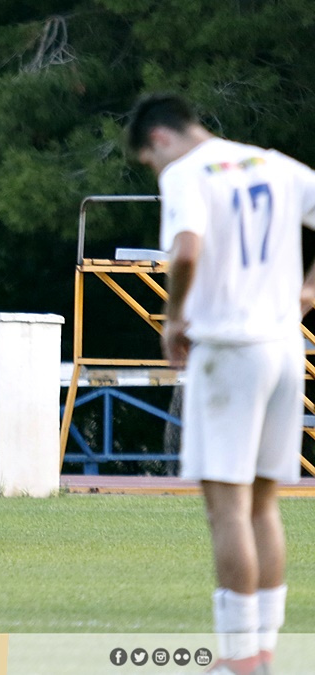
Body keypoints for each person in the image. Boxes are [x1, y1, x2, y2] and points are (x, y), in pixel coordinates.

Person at [128, 92, 315, 675]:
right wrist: (308, 295)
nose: (158, 172)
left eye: (150, 163)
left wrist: (174, 318)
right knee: (263, 507)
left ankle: (238, 659)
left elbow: (185, 253)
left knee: (227, 510)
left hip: (230, 349)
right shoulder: (272, 162)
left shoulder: (187, 172)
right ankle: (262, 652)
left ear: (159, 139)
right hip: (285, 347)